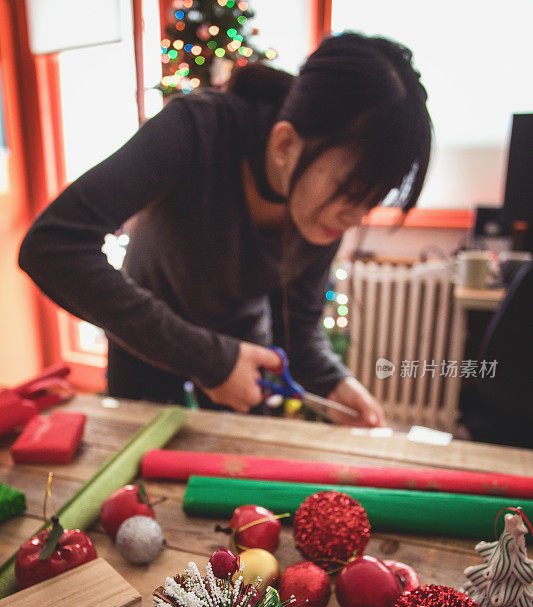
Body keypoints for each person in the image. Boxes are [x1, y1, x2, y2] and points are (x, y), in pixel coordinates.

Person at [19, 32, 432, 425]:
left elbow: (298, 333)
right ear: (286, 145)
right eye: (349, 191)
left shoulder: (325, 207)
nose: (355, 217)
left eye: (372, 199)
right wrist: (210, 360)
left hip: (246, 366)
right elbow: (53, 245)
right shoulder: (195, 128)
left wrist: (335, 383)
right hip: (146, 355)